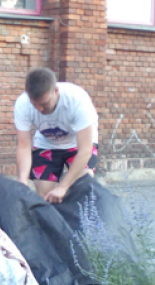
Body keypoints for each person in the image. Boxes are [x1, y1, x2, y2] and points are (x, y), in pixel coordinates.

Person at [14, 67, 99, 204]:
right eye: (35, 104)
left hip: (77, 142)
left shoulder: (77, 100)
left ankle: (80, 223)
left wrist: (63, 187)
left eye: (44, 103)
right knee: (45, 194)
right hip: (47, 143)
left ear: (56, 91)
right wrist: (22, 181)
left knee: (84, 186)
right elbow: (24, 145)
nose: (40, 109)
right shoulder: (22, 104)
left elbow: (85, 150)